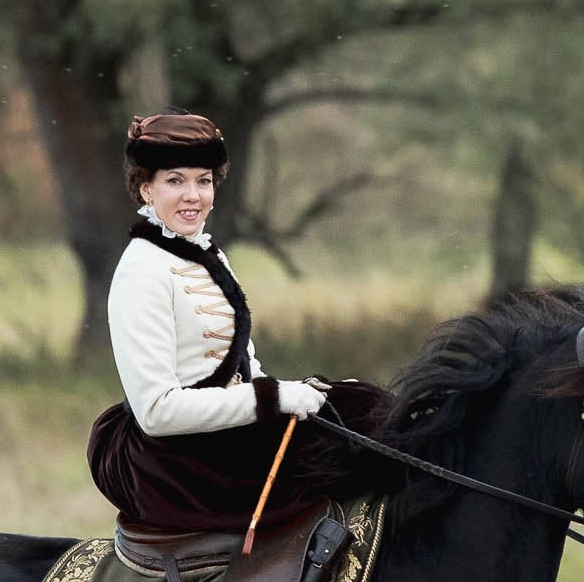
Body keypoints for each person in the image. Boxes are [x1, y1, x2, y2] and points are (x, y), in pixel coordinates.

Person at [87, 111, 395, 535]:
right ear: (146, 188)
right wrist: (273, 399)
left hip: (225, 431)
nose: (193, 195)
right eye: (175, 181)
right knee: (350, 444)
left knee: (365, 409)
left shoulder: (205, 254)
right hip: (173, 459)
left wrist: (291, 395)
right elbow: (157, 413)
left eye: (204, 180)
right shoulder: (142, 271)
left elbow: (242, 367)